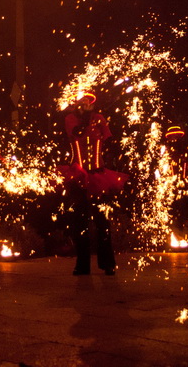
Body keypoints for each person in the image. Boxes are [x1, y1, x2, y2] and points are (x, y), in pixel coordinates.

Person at [59, 91, 128, 276]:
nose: (85, 103)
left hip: (99, 175)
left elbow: (109, 139)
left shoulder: (99, 118)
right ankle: (82, 265)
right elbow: (77, 132)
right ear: (75, 104)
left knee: (102, 223)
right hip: (78, 175)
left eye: (88, 101)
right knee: (80, 224)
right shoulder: (70, 118)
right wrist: (89, 119)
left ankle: (107, 263)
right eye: (81, 101)